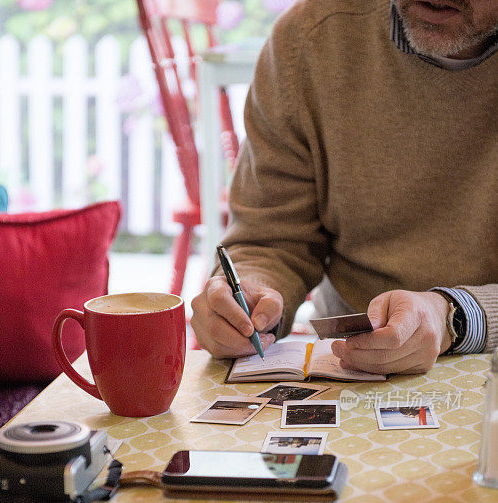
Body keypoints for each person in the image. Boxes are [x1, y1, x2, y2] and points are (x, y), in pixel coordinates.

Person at [191, 0, 498, 374]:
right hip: (349, 365)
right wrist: (252, 293)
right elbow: (271, 240)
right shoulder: (309, 40)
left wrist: (455, 316)